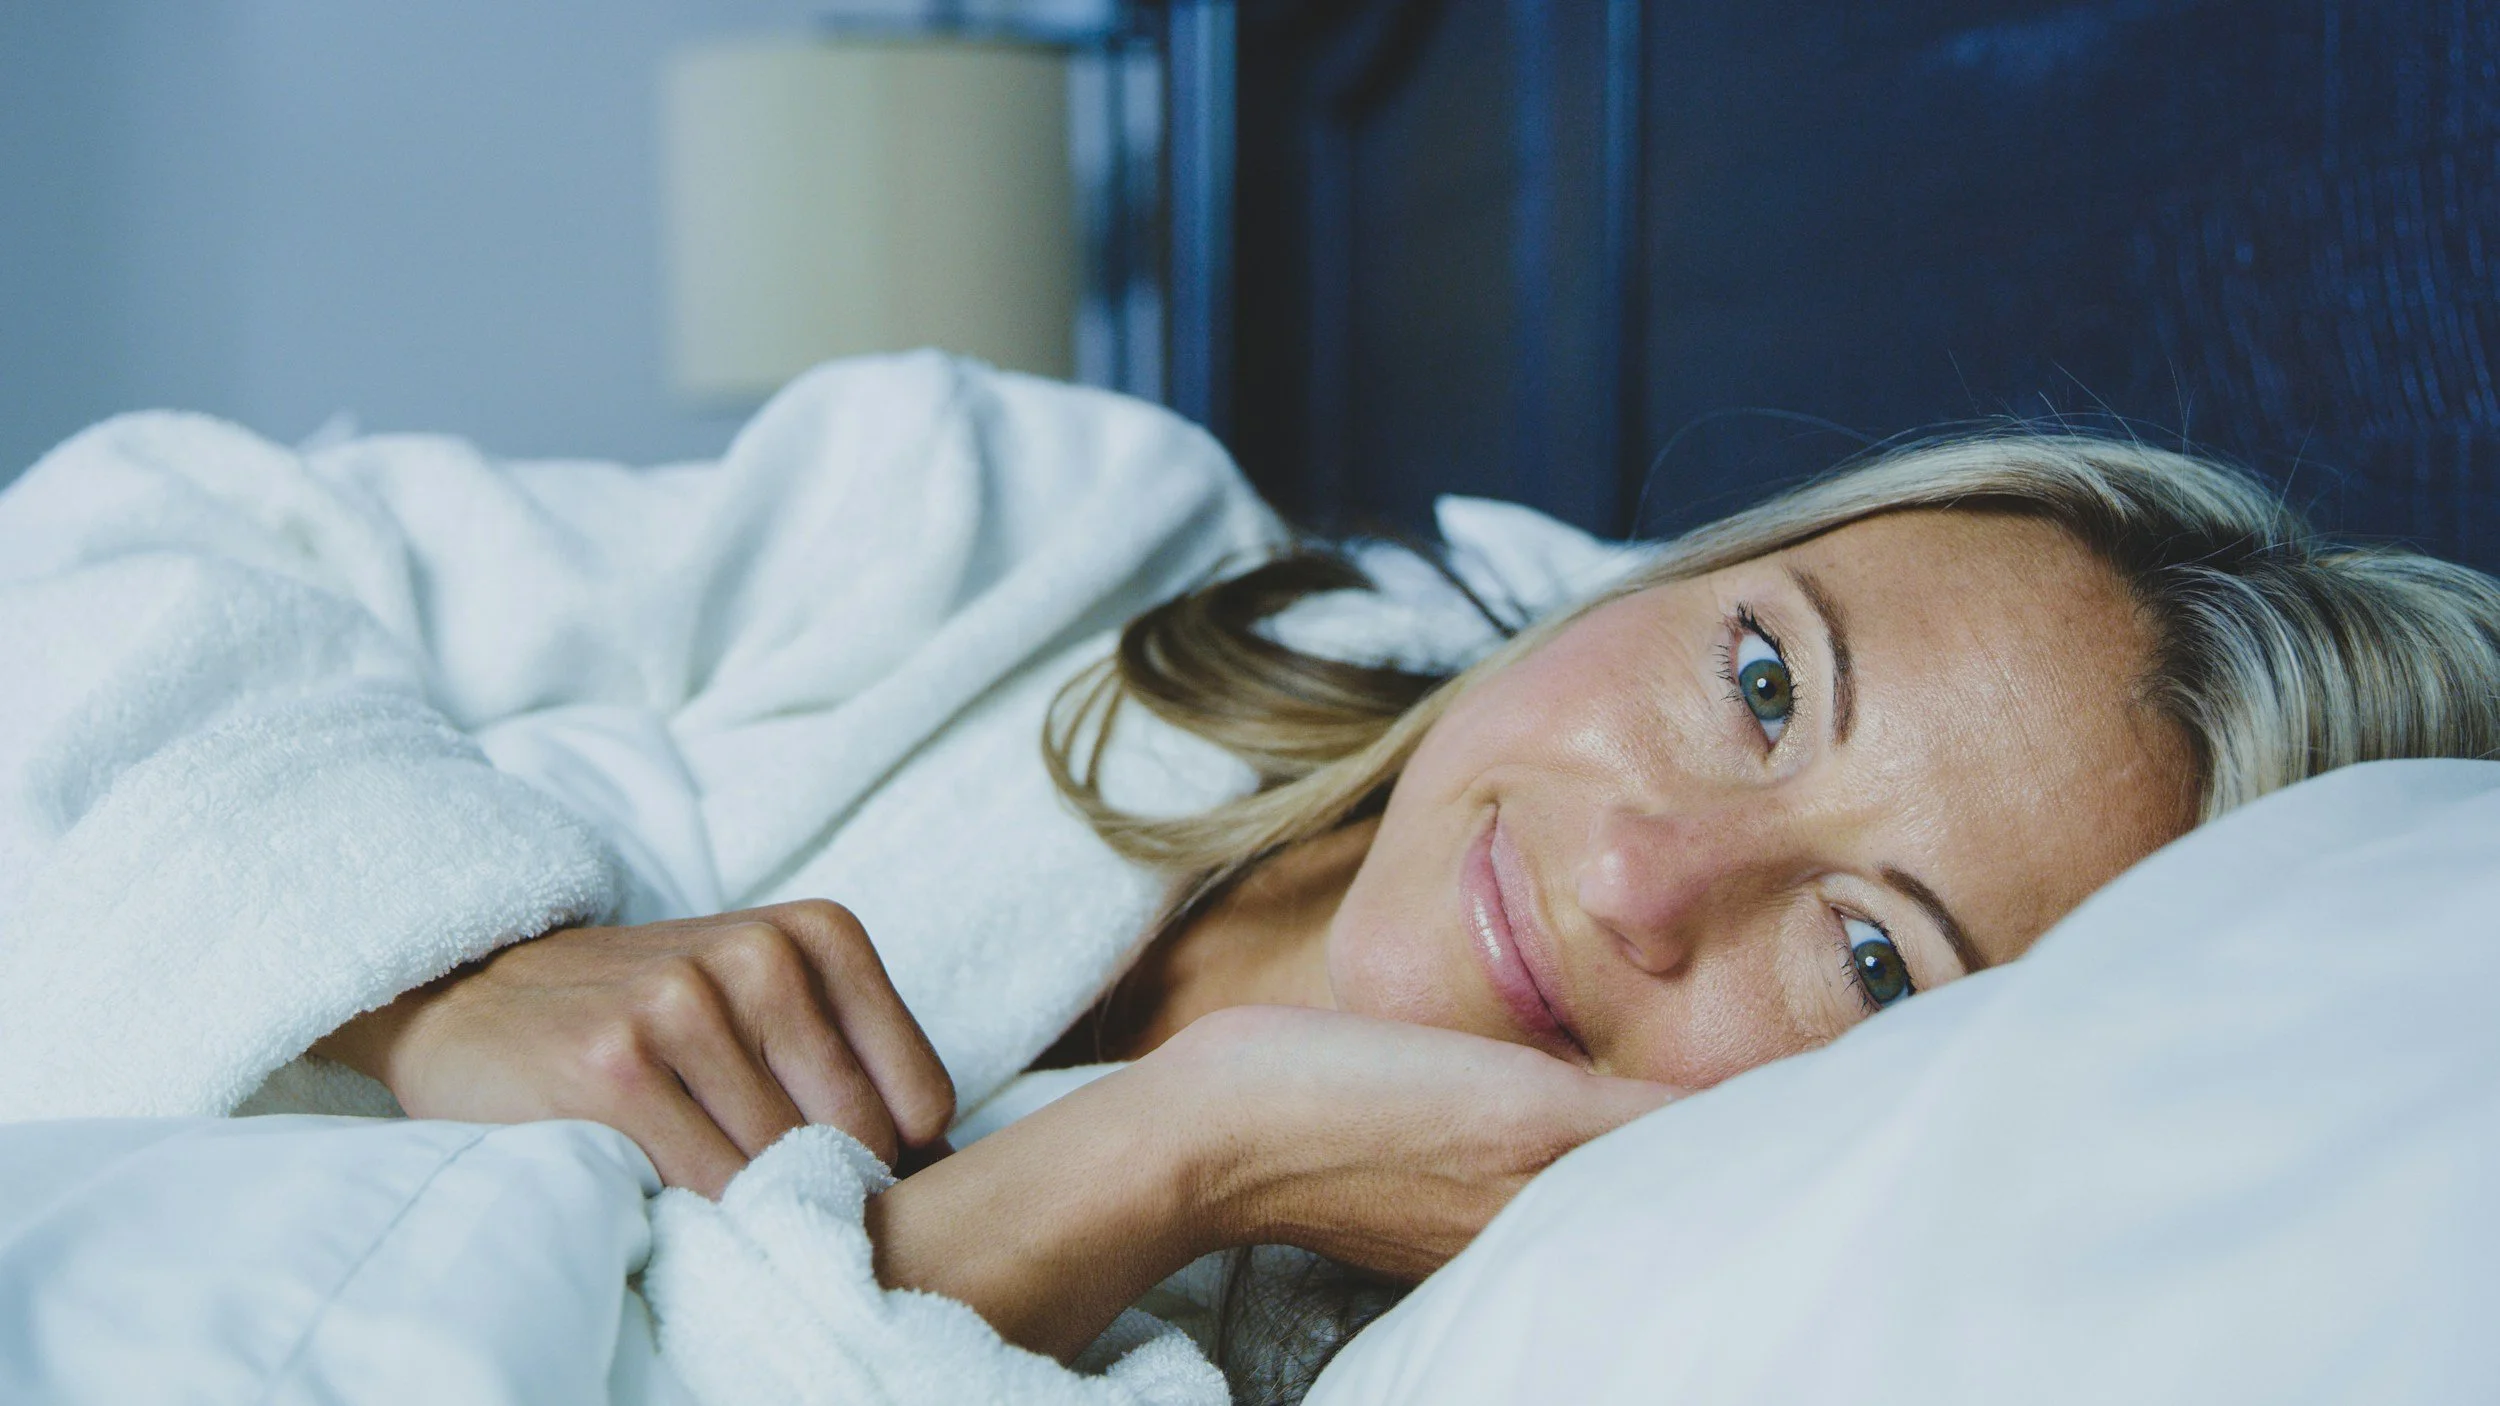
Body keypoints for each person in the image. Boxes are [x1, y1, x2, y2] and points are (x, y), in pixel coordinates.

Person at [8, 355, 2499, 1397]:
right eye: (1758, 680)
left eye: (1863, 953)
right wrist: (454, 959)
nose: (1643, 868)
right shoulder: (1054, 544)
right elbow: (137, 536)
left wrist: (1169, 1160)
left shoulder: (1515, 1349)